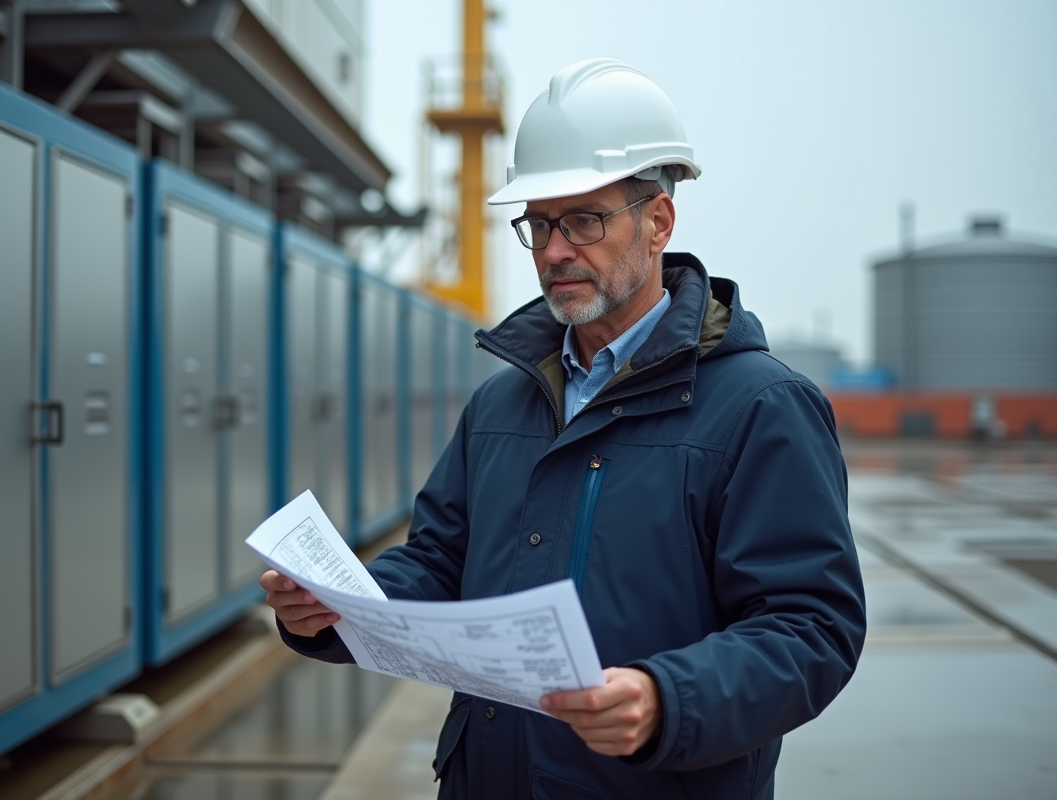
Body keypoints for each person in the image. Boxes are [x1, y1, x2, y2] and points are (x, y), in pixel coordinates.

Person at [261, 58, 865, 799]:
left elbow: (810, 628)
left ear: (658, 223)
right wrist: (341, 606)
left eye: (584, 219)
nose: (553, 250)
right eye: (540, 223)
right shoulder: (502, 404)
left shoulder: (761, 408)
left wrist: (666, 699)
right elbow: (441, 564)